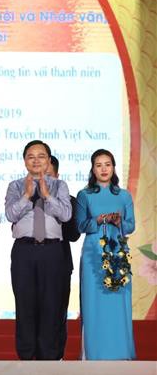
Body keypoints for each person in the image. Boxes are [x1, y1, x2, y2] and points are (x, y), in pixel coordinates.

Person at [5, 140, 71, 360]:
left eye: (41, 156)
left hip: (52, 251)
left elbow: (66, 215)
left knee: (51, 305)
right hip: (24, 251)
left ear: (48, 160)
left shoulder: (59, 186)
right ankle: (26, 358)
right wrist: (26, 195)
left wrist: (47, 195)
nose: (36, 161)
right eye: (31, 156)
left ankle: (48, 359)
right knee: (25, 304)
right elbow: (10, 215)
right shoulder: (15, 186)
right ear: (25, 161)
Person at [76, 149, 135, 360]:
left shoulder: (124, 195)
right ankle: (94, 353)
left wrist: (119, 222)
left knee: (118, 303)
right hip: (93, 255)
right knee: (94, 303)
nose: (103, 169)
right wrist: (99, 220)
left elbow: (131, 226)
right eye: (99, 165)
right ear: (93, 169)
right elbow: (80, 225)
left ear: (113, 167)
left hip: (118, 254)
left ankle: (120, 352)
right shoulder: (85, 195)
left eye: (107, 164)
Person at [46, 155, 81, 359]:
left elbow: (74, 235)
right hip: (31, 263)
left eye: (49, 174)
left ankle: (57, 358)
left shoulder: (69, 200)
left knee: (57, 313)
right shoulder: (26, 197)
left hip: (59, 263)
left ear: (57, 176)